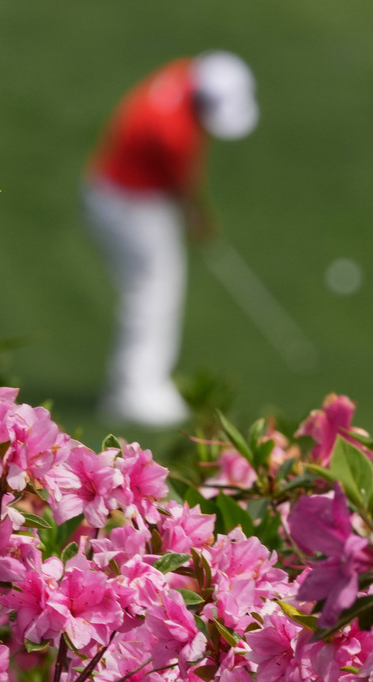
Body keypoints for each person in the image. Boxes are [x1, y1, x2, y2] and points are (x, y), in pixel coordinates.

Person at [83, 50, 259, 427]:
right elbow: (183, 186)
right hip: (130, 203)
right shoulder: (172, 132)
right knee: (153, 290)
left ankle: (142, 383)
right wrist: (199, 219)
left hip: (113, 188)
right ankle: (135, 391)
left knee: (151, 288)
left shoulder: (183, 74)